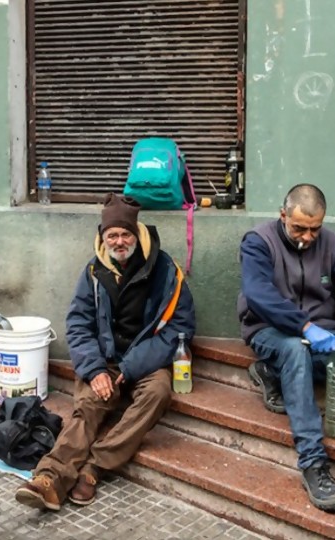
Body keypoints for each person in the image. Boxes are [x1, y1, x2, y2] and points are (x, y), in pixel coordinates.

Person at [15, 193, 196, 511]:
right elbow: (78, 325)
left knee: (158, 392)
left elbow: (178, 329)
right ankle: (49, 478)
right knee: (86, 405)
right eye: (112, 234)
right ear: (102, 236)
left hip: (145, 360)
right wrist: (95, 369)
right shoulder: (93, 272)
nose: (120, 240)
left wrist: (134, 364)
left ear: (137, 234)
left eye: (126, 233)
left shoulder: (166, 271)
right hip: (105, 359)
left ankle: (95, 467)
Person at [237, 184, 335, 513]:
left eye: (314, 229)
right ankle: (313, 463)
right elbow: (259, 294)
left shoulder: (332, 243)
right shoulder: (258, 242)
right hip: (269, 329)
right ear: (283, 215)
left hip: (322, 330)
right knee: (295, 352)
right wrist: (304, 327)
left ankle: (269, 371)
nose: (307, 237)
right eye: (299, 228)